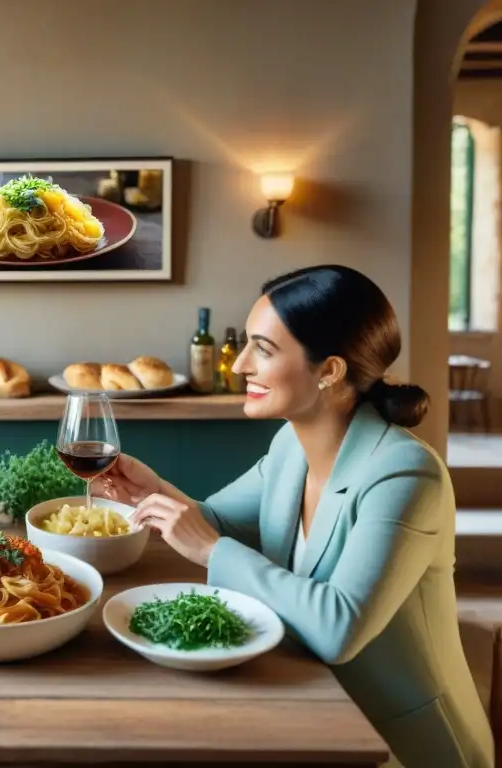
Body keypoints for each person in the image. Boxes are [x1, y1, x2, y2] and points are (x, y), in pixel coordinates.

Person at [96, 265, 494, 768]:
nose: (239, 364)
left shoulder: (406, 476)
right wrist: (151, 493)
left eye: (262, 349)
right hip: (319, 713)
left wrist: (209, 548)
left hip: (402, 744)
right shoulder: (291, 445)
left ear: (329, 370)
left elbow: (337, 628)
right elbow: (216, 521)